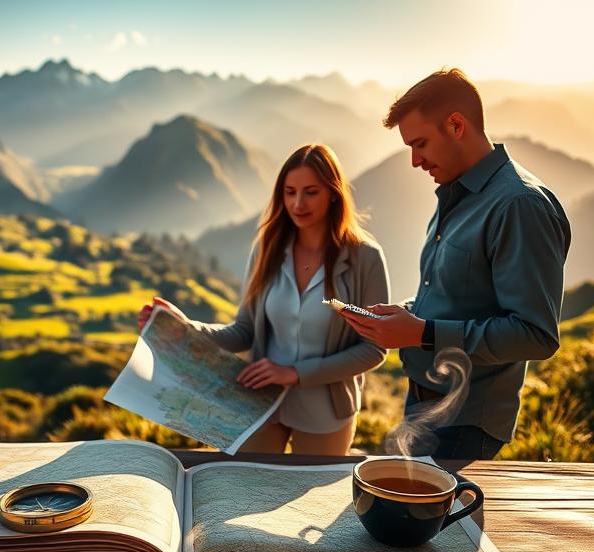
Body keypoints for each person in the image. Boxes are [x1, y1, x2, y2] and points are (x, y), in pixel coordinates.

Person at [340, 69, 571, 461]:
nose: (415, 161)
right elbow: (457, 296)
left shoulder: (519, 205)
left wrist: (422, 332)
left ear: (457, 125)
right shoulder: (456, 193)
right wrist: (408, 314)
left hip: (465, 423)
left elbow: (536, 334)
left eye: (421, 143)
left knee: (440, 523)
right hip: (425, 406)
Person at [139, 144, 390, 455]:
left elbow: (375, 348)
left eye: (311, 192)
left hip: (327, 412)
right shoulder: (267, 248)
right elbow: (243, 331)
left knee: (312, 501)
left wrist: (295, 373)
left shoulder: (366, 258)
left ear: (334, 194)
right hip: (260, 403)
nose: (298, 203)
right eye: (290, 192)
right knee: (244, 486)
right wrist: (185, 328)